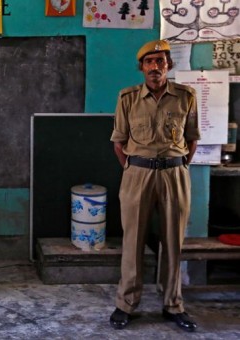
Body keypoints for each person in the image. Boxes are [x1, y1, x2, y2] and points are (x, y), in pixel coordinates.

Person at [109, 40, 200, 332]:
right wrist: (130, 167)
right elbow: (119, 141)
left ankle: (173, 305)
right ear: (142, 68)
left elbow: (192, 137)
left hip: (174, 174)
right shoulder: (128, 98)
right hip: (138, 173)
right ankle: (126, 304)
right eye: (149, 62)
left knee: (173, 241)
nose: (155, 67)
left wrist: (181, 165)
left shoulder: (186, 96)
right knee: (133, 241)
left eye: (160, 61)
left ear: (168, 65)